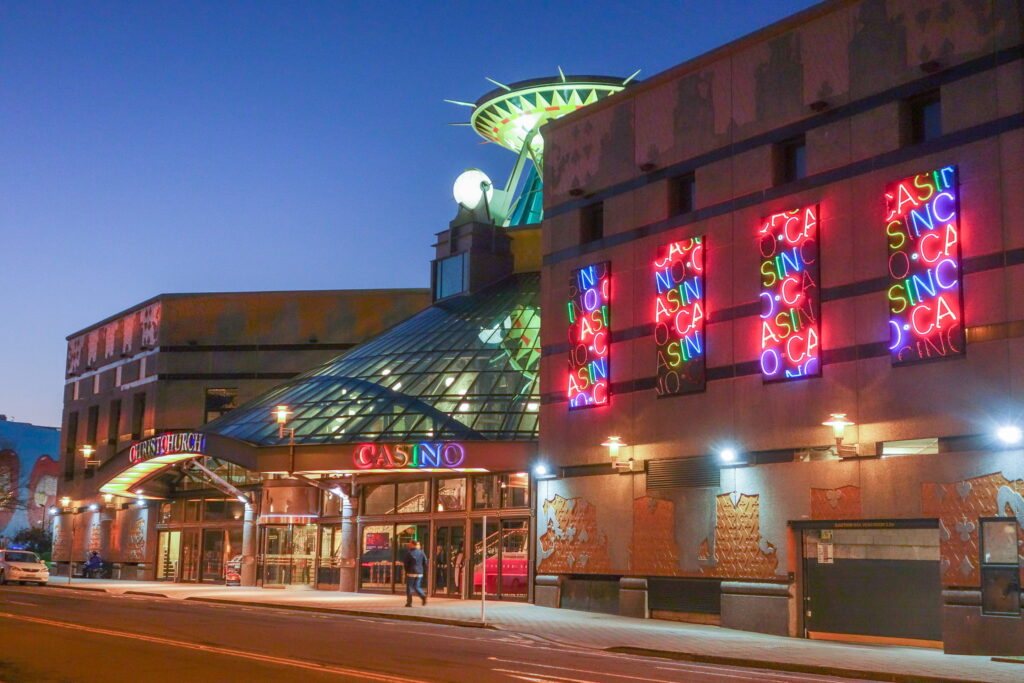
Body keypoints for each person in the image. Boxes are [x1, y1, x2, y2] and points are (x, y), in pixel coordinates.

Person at [402, 540, 428, 607]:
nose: (409, 545)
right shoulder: (421, 552)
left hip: (411, 572)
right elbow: (425, 562)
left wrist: (406, 571)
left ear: (413, 544)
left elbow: (406, 564)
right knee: (417, 586)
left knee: (409, 588)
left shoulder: (409, 553)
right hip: (419, 572)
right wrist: (422, 569)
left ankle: (409, 603)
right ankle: (423, 596)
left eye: (410, 544)